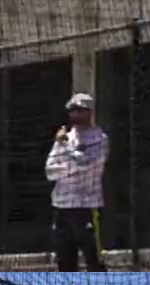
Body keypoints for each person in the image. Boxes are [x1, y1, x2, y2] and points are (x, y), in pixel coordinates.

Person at [45, 93, 108, 271]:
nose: (74, 114)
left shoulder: (99, 138)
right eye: (71, 110)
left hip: (86, 206)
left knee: (94, 260)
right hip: (61, 207)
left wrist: (66, 154)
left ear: (89, 112)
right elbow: (50, 170)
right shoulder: (65, 137)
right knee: (64, 262)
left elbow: (88, 165)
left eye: (79, 110)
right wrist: (72, 164)